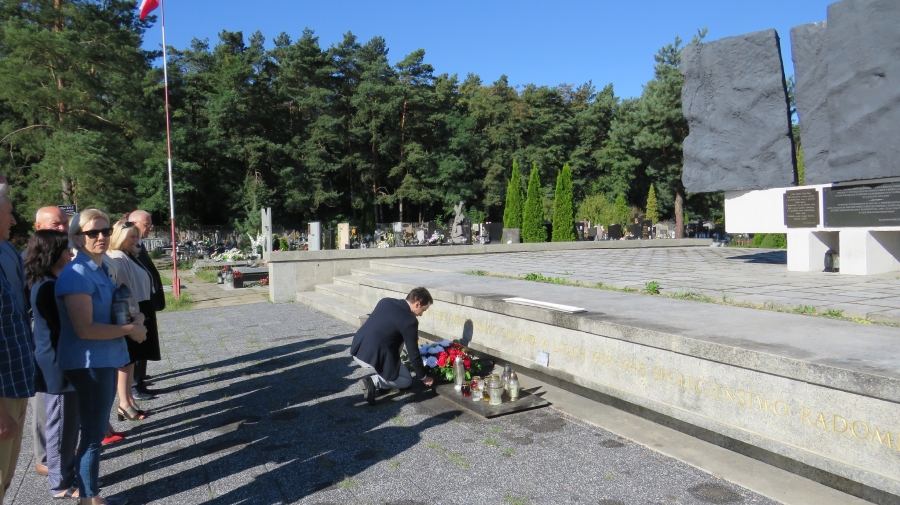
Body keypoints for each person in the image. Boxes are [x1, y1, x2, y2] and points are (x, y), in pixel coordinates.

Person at [57, 208, 146, 505]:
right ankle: (89, 499)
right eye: (92, 232)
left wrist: (133, 317)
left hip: (104, 359)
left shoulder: (99, 268)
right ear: (76, 238)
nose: (101, 237)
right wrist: (130, 330)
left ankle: (90, 497)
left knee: (94, 435)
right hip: (90, 364)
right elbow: (84, 329)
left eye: (105, 231)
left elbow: (109, 311)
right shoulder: (77, 274)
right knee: (93, 437)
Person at [24, 230, 80, 499]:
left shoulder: (51, 282)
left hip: (63, 361)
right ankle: (59, 484)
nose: (71, 252)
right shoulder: (47, 286)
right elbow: (64, 327)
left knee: (69, 426)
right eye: (66, 249)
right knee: (59, 426)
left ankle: (66, 473)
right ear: (52, 253)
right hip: (56, 365)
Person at [29, 205, 72, 477]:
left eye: (65, 222)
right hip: (48, 353)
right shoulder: (45, 284)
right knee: (51, 413)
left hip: (55, 351)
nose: (63, 227)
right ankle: (54, 468)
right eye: (56, 224)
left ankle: (60, 461)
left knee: (61, 415)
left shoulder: (51, 279)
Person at [0, 183, 35, 504]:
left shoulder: (7, 250)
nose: (13, 221)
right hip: (2, 396)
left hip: (14, 383)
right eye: (8, 213)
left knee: (7, 476)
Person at [350, 287, 435, 404]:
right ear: (417, 304)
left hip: (357, 349)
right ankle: (374, 382)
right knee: (406, 381)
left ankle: (385, 380)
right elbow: (413, 353)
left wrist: (410, 337)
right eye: (423, 310)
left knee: (399, 344)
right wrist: (423, 377)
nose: (421, 314)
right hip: (372, 358)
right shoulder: (410, 320)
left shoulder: (386, 301)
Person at [105, 220, 153, 421]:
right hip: (130, 311)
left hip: (136, 308)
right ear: (119, 237)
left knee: (132, 358)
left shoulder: (127, 254)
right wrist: (135, 316)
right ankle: (124, 403)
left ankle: (129, 400)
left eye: (136, 236)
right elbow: (125, 289)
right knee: (127, 359)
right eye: (131, 236)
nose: (135, 240)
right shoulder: (118, 256)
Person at [126, 211, 164, 397]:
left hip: (146, 300)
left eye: (150, 224)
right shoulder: (126, 249)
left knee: (146, 341)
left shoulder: (140, 244)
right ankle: (134, 385)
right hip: (136, 303)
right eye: (146, 225)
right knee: (138, 344)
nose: (150, 228)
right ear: (133, 224)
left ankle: (139, 378)